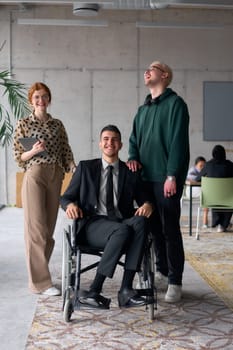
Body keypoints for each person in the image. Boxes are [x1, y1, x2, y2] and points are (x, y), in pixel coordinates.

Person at [60, 125, 154, 309]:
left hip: (121, 223)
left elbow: (145, 199)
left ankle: (126, 290)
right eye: (106, 139)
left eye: (114, 139)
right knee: (123, 229)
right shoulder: (86, 168)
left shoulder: (130, 172)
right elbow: (66, 197)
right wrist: (69, 205)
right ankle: (95, 289)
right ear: (100, 143)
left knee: (140, 222)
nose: (109, 142)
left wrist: (148, 205)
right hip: (93, 225)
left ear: (120, 145)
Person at [127, 60, 190, 303]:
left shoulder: (176, 105)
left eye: (152, 68)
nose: (146, 70)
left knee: (170, 229)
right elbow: (134, 138)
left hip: (166, 180)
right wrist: (132, 157)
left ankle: (175, 280)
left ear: (164, 75)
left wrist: (172, 175)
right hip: (144, 180)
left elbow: (179, 144)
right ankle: (162, 271)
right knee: (153, 231)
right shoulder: (142, 110)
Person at [13, 82, 75, 296]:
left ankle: (40, 273)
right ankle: (40, 283)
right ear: (31, 100)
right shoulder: (24, 123)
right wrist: (33, 151)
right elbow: (18, 156)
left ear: (49, 99)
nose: (41, 100)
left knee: (48, 232)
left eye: (45, 96)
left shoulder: (57, 124)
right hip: (35, 174)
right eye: (37, 97)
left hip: (56, 175)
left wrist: (73, 167)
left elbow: (66, 150)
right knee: (36, 230)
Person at [196, 144, 233, 232]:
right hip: (229, 199)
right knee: (228, 198)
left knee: (216, 197)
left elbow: (197, 179)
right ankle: (224, 224)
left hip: (211, 199)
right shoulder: (230, 165)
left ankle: (218, 223)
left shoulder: (208, 165)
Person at [186, 156, 209, 228]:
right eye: (200, 166)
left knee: (207, 195)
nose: (202, 168)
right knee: (207, 194)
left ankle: (205, 222)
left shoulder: (205, 171)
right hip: (191, 190)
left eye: (204, 166)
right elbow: (191, 178)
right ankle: (205, 222)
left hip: (201, 190)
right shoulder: (192, 171)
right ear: (196, 165)